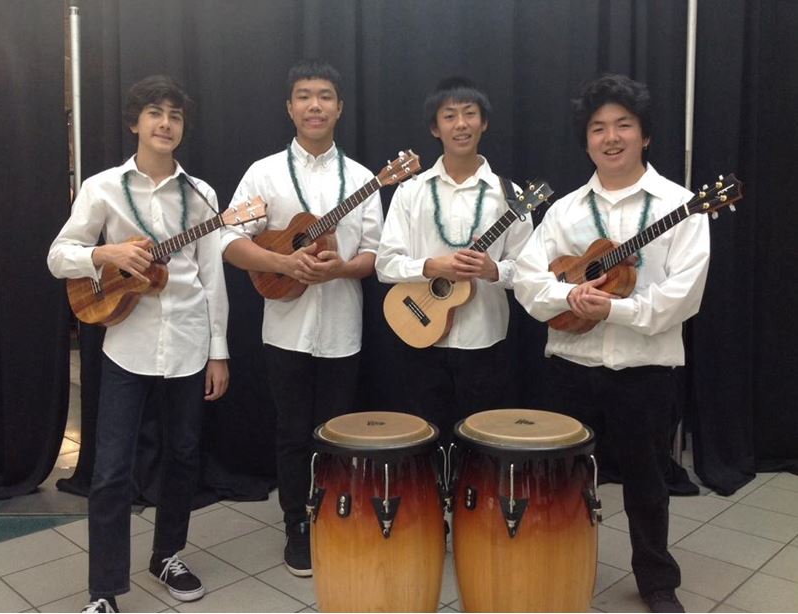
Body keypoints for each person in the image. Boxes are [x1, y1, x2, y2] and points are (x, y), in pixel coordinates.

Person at [513, 73, 710, 613]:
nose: (611, 136)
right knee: (562, 479)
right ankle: (560, 565)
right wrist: (568, 295)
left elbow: (682, 296)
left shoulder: (683, 206)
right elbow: (529, 282)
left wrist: (616, 309)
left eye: (624, 125)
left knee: (648, 482)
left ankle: (656, 581)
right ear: (586, 141)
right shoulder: (566, 210)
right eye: (599, 128)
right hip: (571, 367)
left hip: (646, 369)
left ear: (645, 136)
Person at [47, 75, 229, 613]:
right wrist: (105, 256)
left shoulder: (203, 196)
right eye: (155, 113)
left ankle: (168, 554)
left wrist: (220, 351)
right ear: (135, 123)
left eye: (175, 115)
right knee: (109, 471)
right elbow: (59, 255)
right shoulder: (103, 187)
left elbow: (212, 277)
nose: (165, 123)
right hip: (126, 341)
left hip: (190, 343)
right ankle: (104, 590)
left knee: (183, 456)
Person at [221, 60, 383, 577]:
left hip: (342, 328)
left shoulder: (362, 179)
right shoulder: (263, 174)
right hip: (284, 328)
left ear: (339, 108)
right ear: (289, 108)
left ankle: (334, 518)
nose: (315, 105)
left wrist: (340, 268)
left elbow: (379, 256)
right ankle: (296, 525)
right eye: (305, 96)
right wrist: (283, 262)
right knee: (292, 431)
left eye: (326, 96)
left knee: (335, 432)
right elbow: (228, 242)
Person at [375, 77, 533, 441]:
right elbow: (385, 264)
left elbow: (528, 272)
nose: (460, 124)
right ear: (435, 128)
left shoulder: (511, 196)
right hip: (419, 333)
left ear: (484, 122)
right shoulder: (411, 191)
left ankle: (475, 500)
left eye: (469, 114)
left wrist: (493, 270)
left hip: (485, 337)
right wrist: (432, 267)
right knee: (424, 438)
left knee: (481, 440)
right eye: (449, 116)